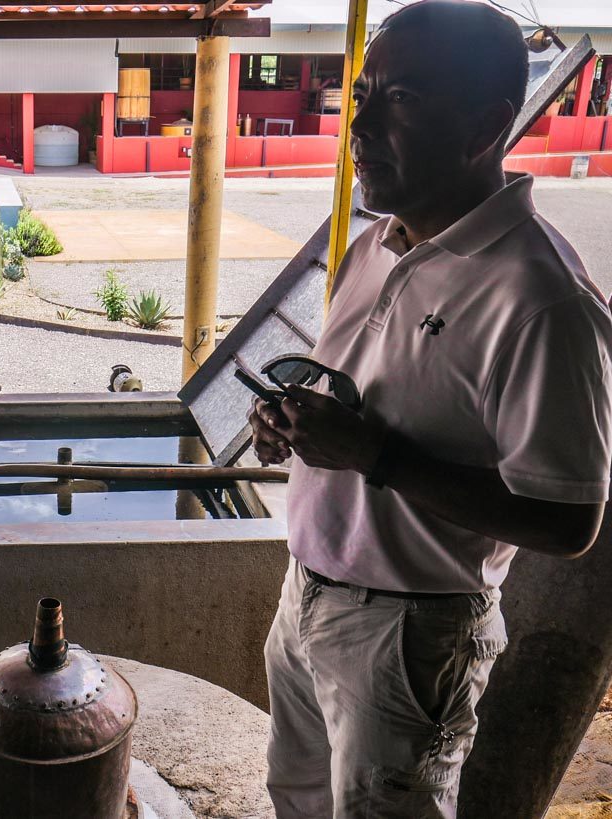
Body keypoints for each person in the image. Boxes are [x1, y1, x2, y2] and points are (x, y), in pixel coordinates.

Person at [248, 2, 612, 816]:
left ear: (484, 126)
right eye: (361, 92)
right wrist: (295, 427)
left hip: (406, 638)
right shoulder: (374, 245)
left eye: (400, 98)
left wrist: (376, 456)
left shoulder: (541, 298)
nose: (359, 123)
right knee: (296, 799)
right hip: (303, 595)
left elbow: (569, 523)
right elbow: (356, 403)